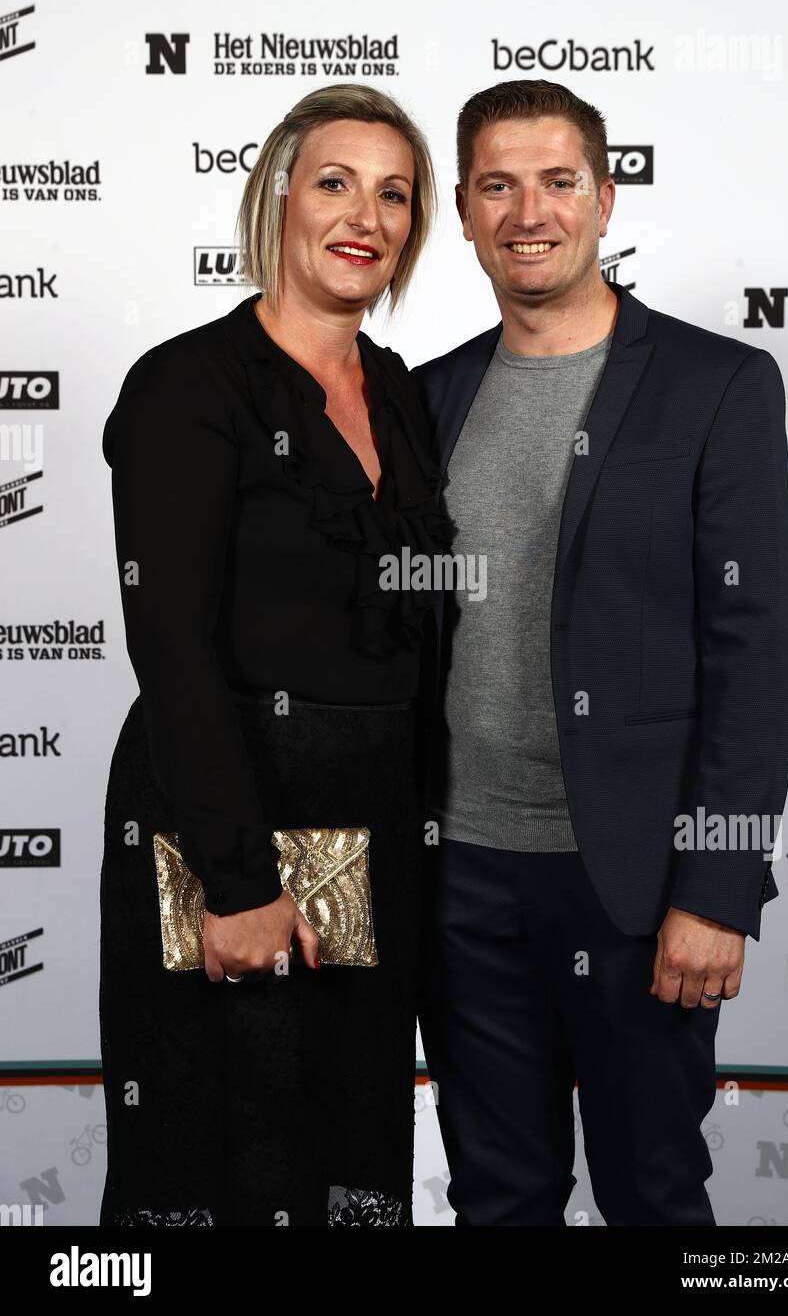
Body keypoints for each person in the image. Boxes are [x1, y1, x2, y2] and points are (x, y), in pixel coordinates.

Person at [412, 79, 788, 1226]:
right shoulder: (428, 396)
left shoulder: (716, 384)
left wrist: (717, 888)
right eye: (497, 185)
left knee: (652, 1194)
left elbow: (754, 651)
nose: (528, 210)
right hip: (463, 880)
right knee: (497, 1195)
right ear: (467, 214)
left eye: (556, 180)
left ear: (603, 197)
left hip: (636, 883)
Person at [99, 83, 451, 1227]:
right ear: (278, 199)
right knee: (218, 1161)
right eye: (335, 182)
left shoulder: (398, 391)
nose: (366, 214)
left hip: (371, 820)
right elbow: (173, 647)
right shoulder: (186, 386)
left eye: (393, 193)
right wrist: (239, 881)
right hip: (227, 815)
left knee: (350, 1162)